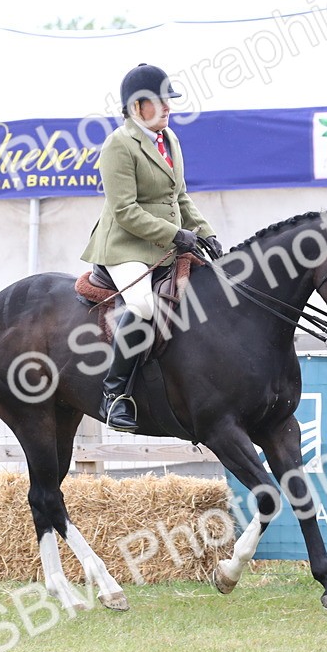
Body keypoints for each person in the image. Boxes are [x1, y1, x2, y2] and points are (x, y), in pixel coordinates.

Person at [81, 63, 222, 433]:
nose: (168, 107)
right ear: (136, 107)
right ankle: (113, 396)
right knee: (143, 305)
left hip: (166, 242)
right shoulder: (118, 145)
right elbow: (125, 211)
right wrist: (175, 235)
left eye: (168, 100)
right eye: (159, 101)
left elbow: (181, 197)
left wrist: (205, 232)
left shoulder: (170, 139)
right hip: (124, 247)